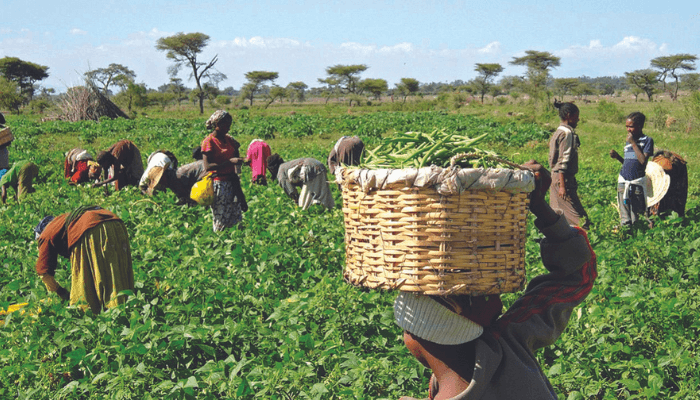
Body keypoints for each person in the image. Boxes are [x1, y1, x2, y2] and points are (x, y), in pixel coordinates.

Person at [396, 161, 596, 400]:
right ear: (460, 306)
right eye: (486, 290)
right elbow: (576, 275)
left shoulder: (502, 343)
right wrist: (540, 208)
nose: (500, 302)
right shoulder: (506, 345)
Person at [33, 206, 134, 314]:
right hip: (115, 222)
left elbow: (43, 272)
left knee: (84, 290)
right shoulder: (61, 222)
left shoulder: (45, 235)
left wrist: (60, 291)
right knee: (115, 269)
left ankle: (98, 314)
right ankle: (123, 308)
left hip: (89, 227)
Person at [201, 110, 247, 231]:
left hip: (232, 181)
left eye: (229, 125)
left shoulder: (230, 139)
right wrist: (230, 162)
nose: (228, 128)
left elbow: (236, 154)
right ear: (217, 125)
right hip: (219, 184)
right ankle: (220, 240)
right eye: (226, 125)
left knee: (236, 217)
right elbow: (208, 166)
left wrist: (243, 160)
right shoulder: (209, 141)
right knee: (221, 218)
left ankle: (236, 240)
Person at [548, 100, 590, 229]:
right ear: (568, 116)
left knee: (558, 214)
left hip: (555, 177)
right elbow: (563, 160)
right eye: (576, 116)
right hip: (563, 179)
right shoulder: (567, 133)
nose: (578, 119)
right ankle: (586, 235)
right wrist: (562, 186)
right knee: (579, 218)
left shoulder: (558, 131)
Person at [609, 112, 654, 227]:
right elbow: (627, 162)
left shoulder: (647, 140)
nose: (628, 129)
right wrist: (617, 157)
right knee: (625, 215)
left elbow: (642, 162)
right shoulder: (628, 141)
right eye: (627, 126)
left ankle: (636, 231)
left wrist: (633, 143)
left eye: (631, 126)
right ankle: (625, 231)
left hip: (636, 182)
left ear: (640, 126)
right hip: (623, 180)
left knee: (636, 214)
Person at [267, 154, 335, 210]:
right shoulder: (287, 165)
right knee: (323, 195)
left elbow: (289, 188)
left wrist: (295, 197)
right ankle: (329, 210)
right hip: (319, 165)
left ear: (272, 168)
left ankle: (305, 216)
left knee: (303, 205)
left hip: (309, 168)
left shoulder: (280, 171)